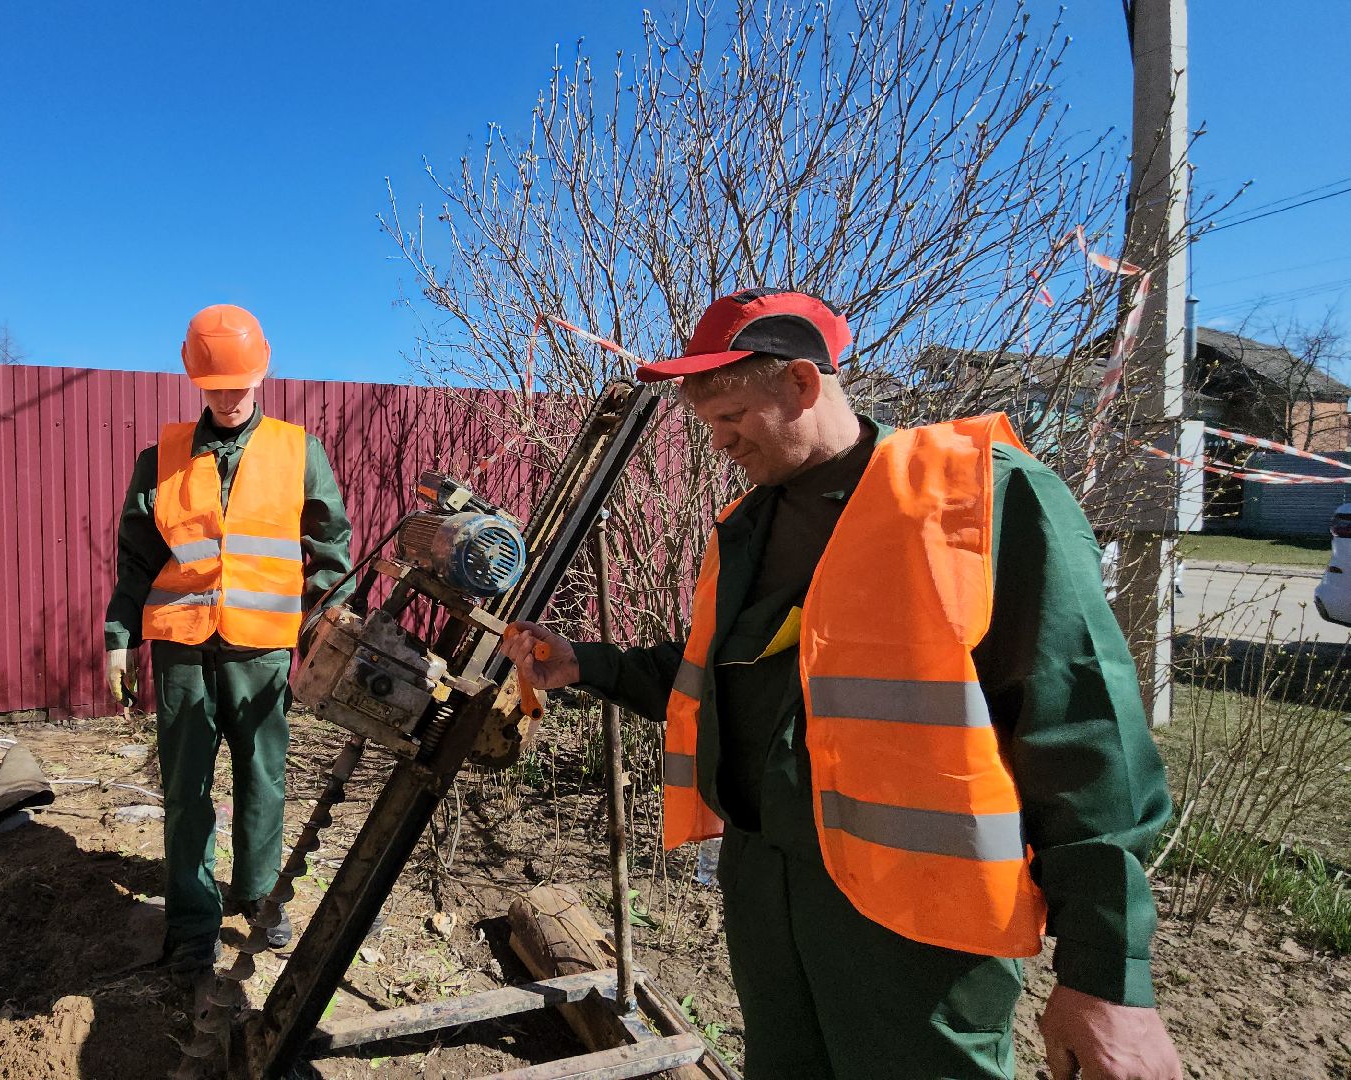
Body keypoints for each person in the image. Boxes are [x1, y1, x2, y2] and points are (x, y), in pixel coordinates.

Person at [501, 288, 1182, 1080]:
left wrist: (1107, 976)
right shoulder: (748, 528)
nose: (717, 442)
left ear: (801, 383)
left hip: (918, 920)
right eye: (706, 424)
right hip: (767, 886)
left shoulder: (977, 496)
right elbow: (716, 681)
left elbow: (1084, 728)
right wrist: (586, 663)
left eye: (731, 417)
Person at [104, 304, 352, 972]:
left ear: (262, 370)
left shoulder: (300, 453)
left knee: (263, 777)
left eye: (238, 384)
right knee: (186, 788)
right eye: (215, 385)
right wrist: (119, 636)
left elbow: (331, 551)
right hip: (182, 647)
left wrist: (327, 632)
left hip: (263, 648)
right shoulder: (163, 457)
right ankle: (191, 920)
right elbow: (135, 557)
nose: (228, 397)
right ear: (192, 376)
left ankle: (261, 899)